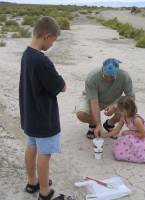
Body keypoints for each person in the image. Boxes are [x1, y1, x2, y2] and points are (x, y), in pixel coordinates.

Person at [19, 16, 72, 200]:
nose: (52, 45)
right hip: (43, 117)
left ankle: (32, 181)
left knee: (32, 145)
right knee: (45, 153)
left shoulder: (27, 54)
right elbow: (61, 86)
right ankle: (44, 192)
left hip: (29, 113)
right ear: (47, 36)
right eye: (53, 40)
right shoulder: (42, 61)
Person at [76, 58, 135, 139]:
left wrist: (115, 106)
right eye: (106, 76)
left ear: (117, 72)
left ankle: (109, 124)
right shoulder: (92, 77)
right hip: (94, 99)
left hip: (113, 101)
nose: (108, 79)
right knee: (81, 114)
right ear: (102, 70)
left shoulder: (124, 76)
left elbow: (131, 97)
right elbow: (94, 102)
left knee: (127, 108)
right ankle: (93, 124)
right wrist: (98, 124)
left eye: (112, 77)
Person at [109, 96, 145, 163]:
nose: (119, 112)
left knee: (128, 138)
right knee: (120, 148)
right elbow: (117, 129)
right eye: (119, 110)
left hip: (144, 136)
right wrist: (103, 135)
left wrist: (129, 132)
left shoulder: (136, 120)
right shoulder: (124, 116)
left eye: (121, 111)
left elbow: (144, 134)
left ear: (129, 109)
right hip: (136, 133)